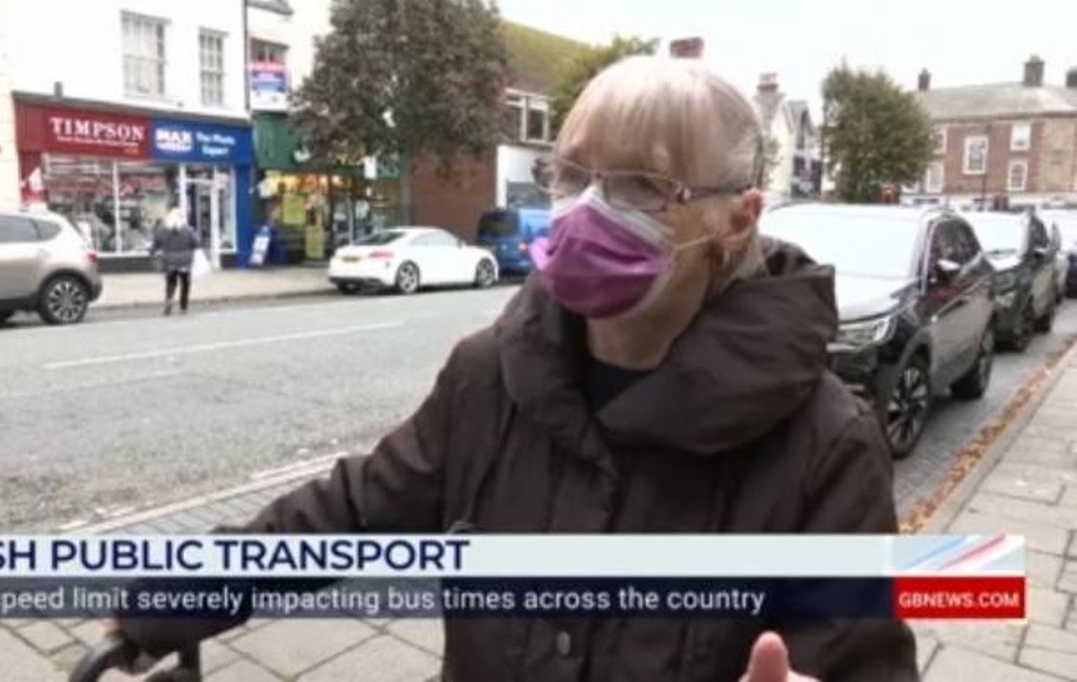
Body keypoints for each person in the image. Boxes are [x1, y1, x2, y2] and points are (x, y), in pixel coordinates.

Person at [112, 57, 918, 681]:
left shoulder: (824, 448)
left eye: (640, 184)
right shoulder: (491, 374)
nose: (585, 210)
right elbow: (354, 510)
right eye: (571, 175)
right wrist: (181, 594)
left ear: (735, 221)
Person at [149, 208, 199, 316]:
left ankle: (169, 300)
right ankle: (183, 306)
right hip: (185, 262)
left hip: (169, 261)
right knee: (185, 284)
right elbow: (196, 243)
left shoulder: (162, 230)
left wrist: (152, 253)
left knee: (170, 283)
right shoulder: (187, 230)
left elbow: (155, 244)